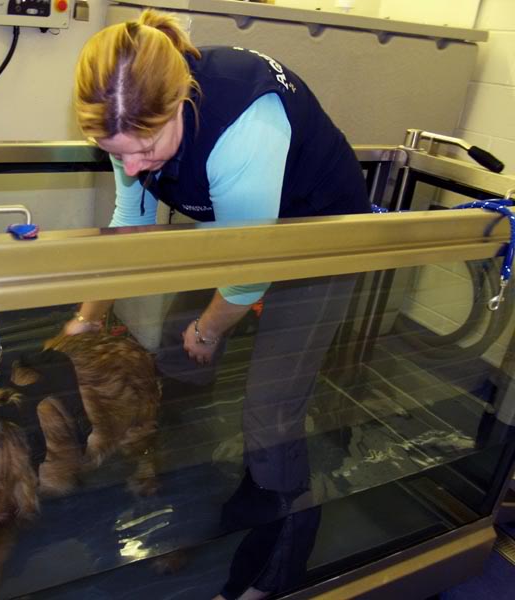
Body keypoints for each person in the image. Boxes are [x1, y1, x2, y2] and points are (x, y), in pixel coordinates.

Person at [66, 9, 372, 599]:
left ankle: (273, 572)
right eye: (115, 151)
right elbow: (130, 224)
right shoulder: (124, 113)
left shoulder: (245, 123)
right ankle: (202, 495)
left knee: (271, 414)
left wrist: (209, 329)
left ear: (180, 100)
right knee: (174, 364)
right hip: (241, 236)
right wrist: (87, 317)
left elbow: (248, 276)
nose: (131, 166)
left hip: (321, 238)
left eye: (146, 148)